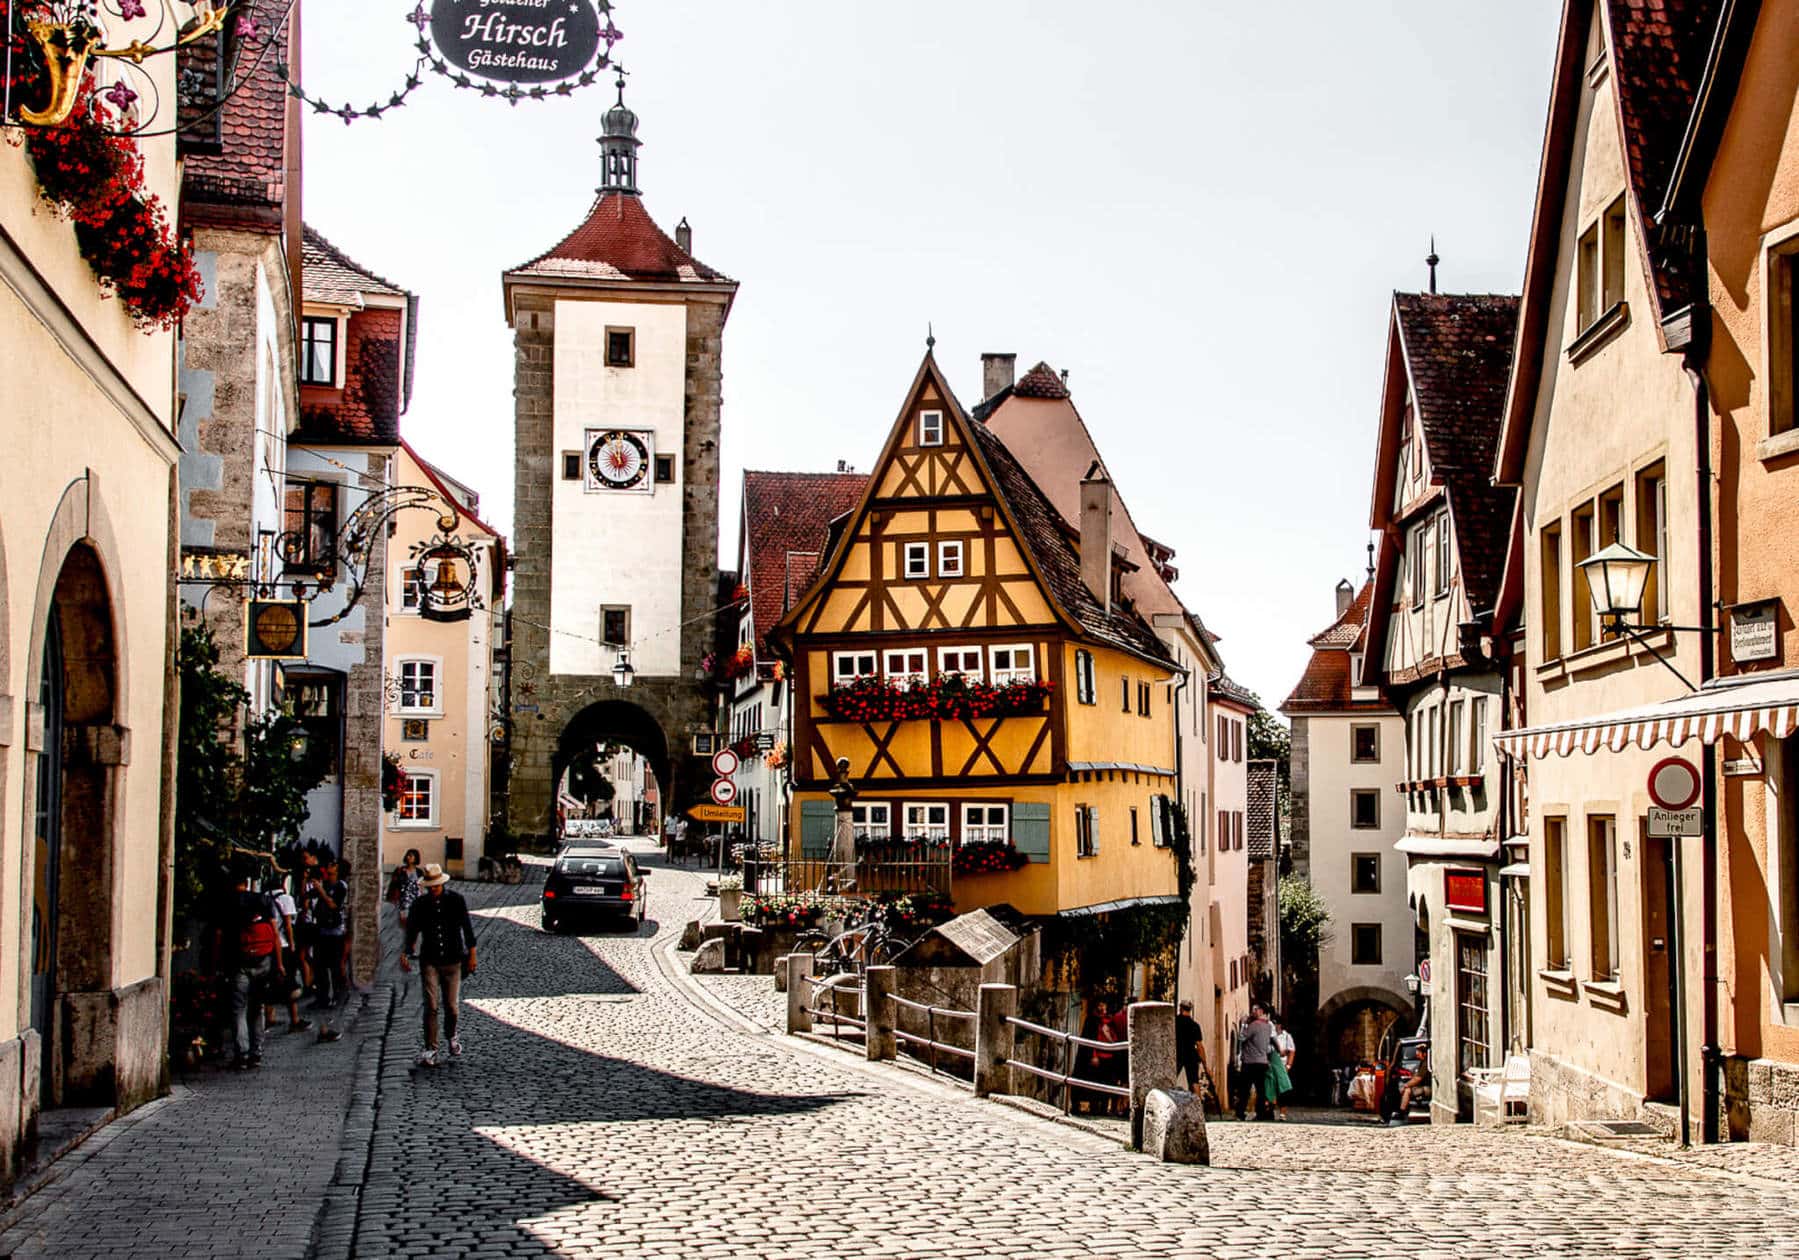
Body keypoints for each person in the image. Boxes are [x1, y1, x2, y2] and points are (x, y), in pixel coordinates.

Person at [401, 863, 477, 1067]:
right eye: (430, 886)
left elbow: (467, 928)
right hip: (430, 960)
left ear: (442, 884)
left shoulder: (456, 901)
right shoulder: (420, 905)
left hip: (453, 960)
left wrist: (472, 955)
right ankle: (431, 1048)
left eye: (436, 886)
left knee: (451, 1006)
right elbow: (412, 930)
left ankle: (451, 1036)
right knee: (431, 1006)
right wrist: (406, 951)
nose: (433, 889)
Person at [227, 868, 284, 1070]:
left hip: (239, 962)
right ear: (248, 881)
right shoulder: (263, 901)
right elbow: (275, 935)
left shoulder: (229, 903)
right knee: (257, 1007)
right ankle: (256, 1052)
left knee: (238, 1010)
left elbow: (219, 935)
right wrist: (280, 963)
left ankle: (241, 1054)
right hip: (263, 961)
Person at [261, 875, 310, 1035]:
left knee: (270, 980)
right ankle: (294, 1019)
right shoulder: (285, 898)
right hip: (282, 944)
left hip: (268, 945)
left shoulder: (264, 898)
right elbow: (288, 925)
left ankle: (269, 1017)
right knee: (288, 980)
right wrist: (292, 943)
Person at [306, 854, 349, 1008]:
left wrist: (321, 891)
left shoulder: (340, 886)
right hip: (322, 928)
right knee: (319, 965)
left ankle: (337, 996)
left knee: (334, 965)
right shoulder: (326, 884)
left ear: (338, 870)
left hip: (335, 931)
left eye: (333, 865)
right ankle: (322, 996)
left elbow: (333, 905)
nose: (329, 866)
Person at [1233, 1003, 1274, 1120]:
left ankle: (1240, 1113)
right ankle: (1261, 1113)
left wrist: (1244, 1024)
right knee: (1261, 1089)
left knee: (1244, 1089)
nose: (1253, 1012)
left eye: (1255, 1009)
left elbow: (1242, 1037)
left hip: (1250, 1062)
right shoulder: (1268, 1026)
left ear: (1261, 1011)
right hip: (1263, 1062)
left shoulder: (1255, 1025)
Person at [1392, 1042, 1432, 1125]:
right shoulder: (1423, 1062)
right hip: (1423, 1086)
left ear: (1424, 1053)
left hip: (1428, 1087)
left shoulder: (1425, 1063)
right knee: (1407, 1089)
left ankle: (1402, 1111)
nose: (1416, 1055)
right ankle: (1403, 1110)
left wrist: (1406, 1085)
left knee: (1408, 1090)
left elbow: (1418, 1079)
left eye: (1418, 1053)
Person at [1267, 1012, 1296, 1120]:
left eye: (1275, 1023)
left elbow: (1291, 1051)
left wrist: (1288, 1066)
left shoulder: (1286, 1036)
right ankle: (1270, 1111)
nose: (1274, 1025)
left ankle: (1282, 1113)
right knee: (1271, 1088)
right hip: (1271, 1065)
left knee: (1283, 1090)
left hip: (1282, 1065)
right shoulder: (1270, 1035)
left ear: (1279, 1025)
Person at [1175, 999, 1206, 1098]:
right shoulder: (1194, 1025)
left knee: (1170, 1078)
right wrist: (1205, 1065)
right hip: (1191, 1054)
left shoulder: (1175, 1022)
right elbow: (1200, 1046)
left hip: (1177, 1053)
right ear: (1190, 1010)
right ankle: (1198, 1107)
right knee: (1194, 1081)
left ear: (1180, 1008)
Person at [386, 849, 423, 931]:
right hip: (404, 901)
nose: (408, 857)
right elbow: (394, 884)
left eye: (411, 856)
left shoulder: (419, 872)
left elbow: (421, 886)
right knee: (404, 924)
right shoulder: (400, 870)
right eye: (408, 855)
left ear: (416, 858)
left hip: (416, 901)